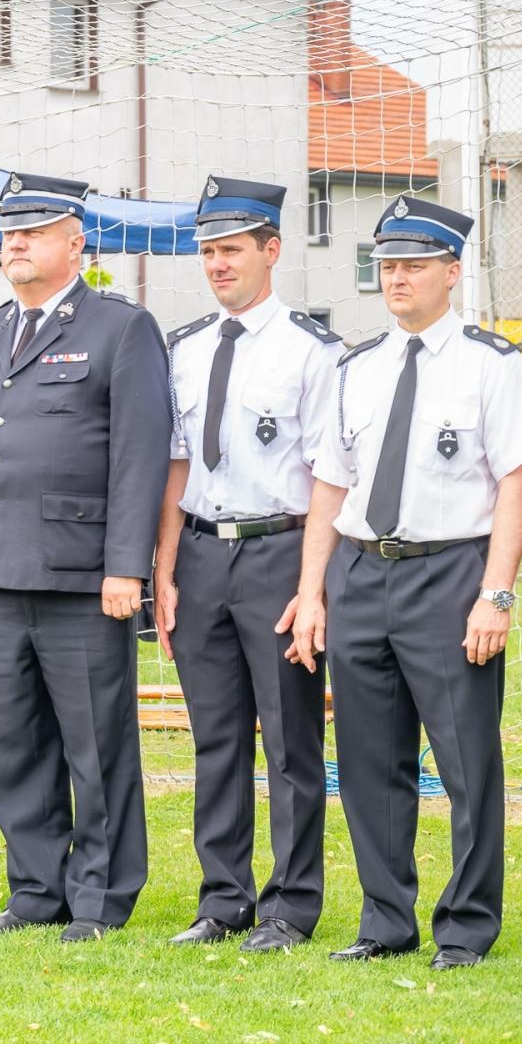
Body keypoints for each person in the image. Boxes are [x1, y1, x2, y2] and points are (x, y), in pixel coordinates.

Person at [293, 196, 522, 970]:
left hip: (450, 573)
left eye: (414, 266)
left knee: (466, 763)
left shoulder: (491, 364)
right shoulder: (357, 366)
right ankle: (385, 920)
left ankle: (464, 928)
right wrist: (313, 591)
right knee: (368, 761)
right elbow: (330, 483)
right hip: (365, 571)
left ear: (451, 273)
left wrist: (497, 594)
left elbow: (515, 484)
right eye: (388, 265)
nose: (397, 278)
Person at [0, 173, 170, 943]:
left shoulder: (119, 329)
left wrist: (125, 566)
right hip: (0, 573)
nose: (16, 243)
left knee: (96, 745)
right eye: (9, 231)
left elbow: (139, 456)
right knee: (16, 744)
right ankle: (35, 891)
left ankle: (99, 898)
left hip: (81, 576)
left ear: (76, 240)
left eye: (33, 230)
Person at [153, 176, 338, 952]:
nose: (217, 264)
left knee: (291, 741)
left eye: (231, 250)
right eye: (207, 252)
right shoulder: (187, 349)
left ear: (272, 250)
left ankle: (290, 907)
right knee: (215, 737)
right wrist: (164, 568)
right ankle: (222, 900)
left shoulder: (314, 351)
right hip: (200, 555)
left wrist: (311, 587)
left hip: (278, 552)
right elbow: (175, 463)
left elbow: (331, 476)